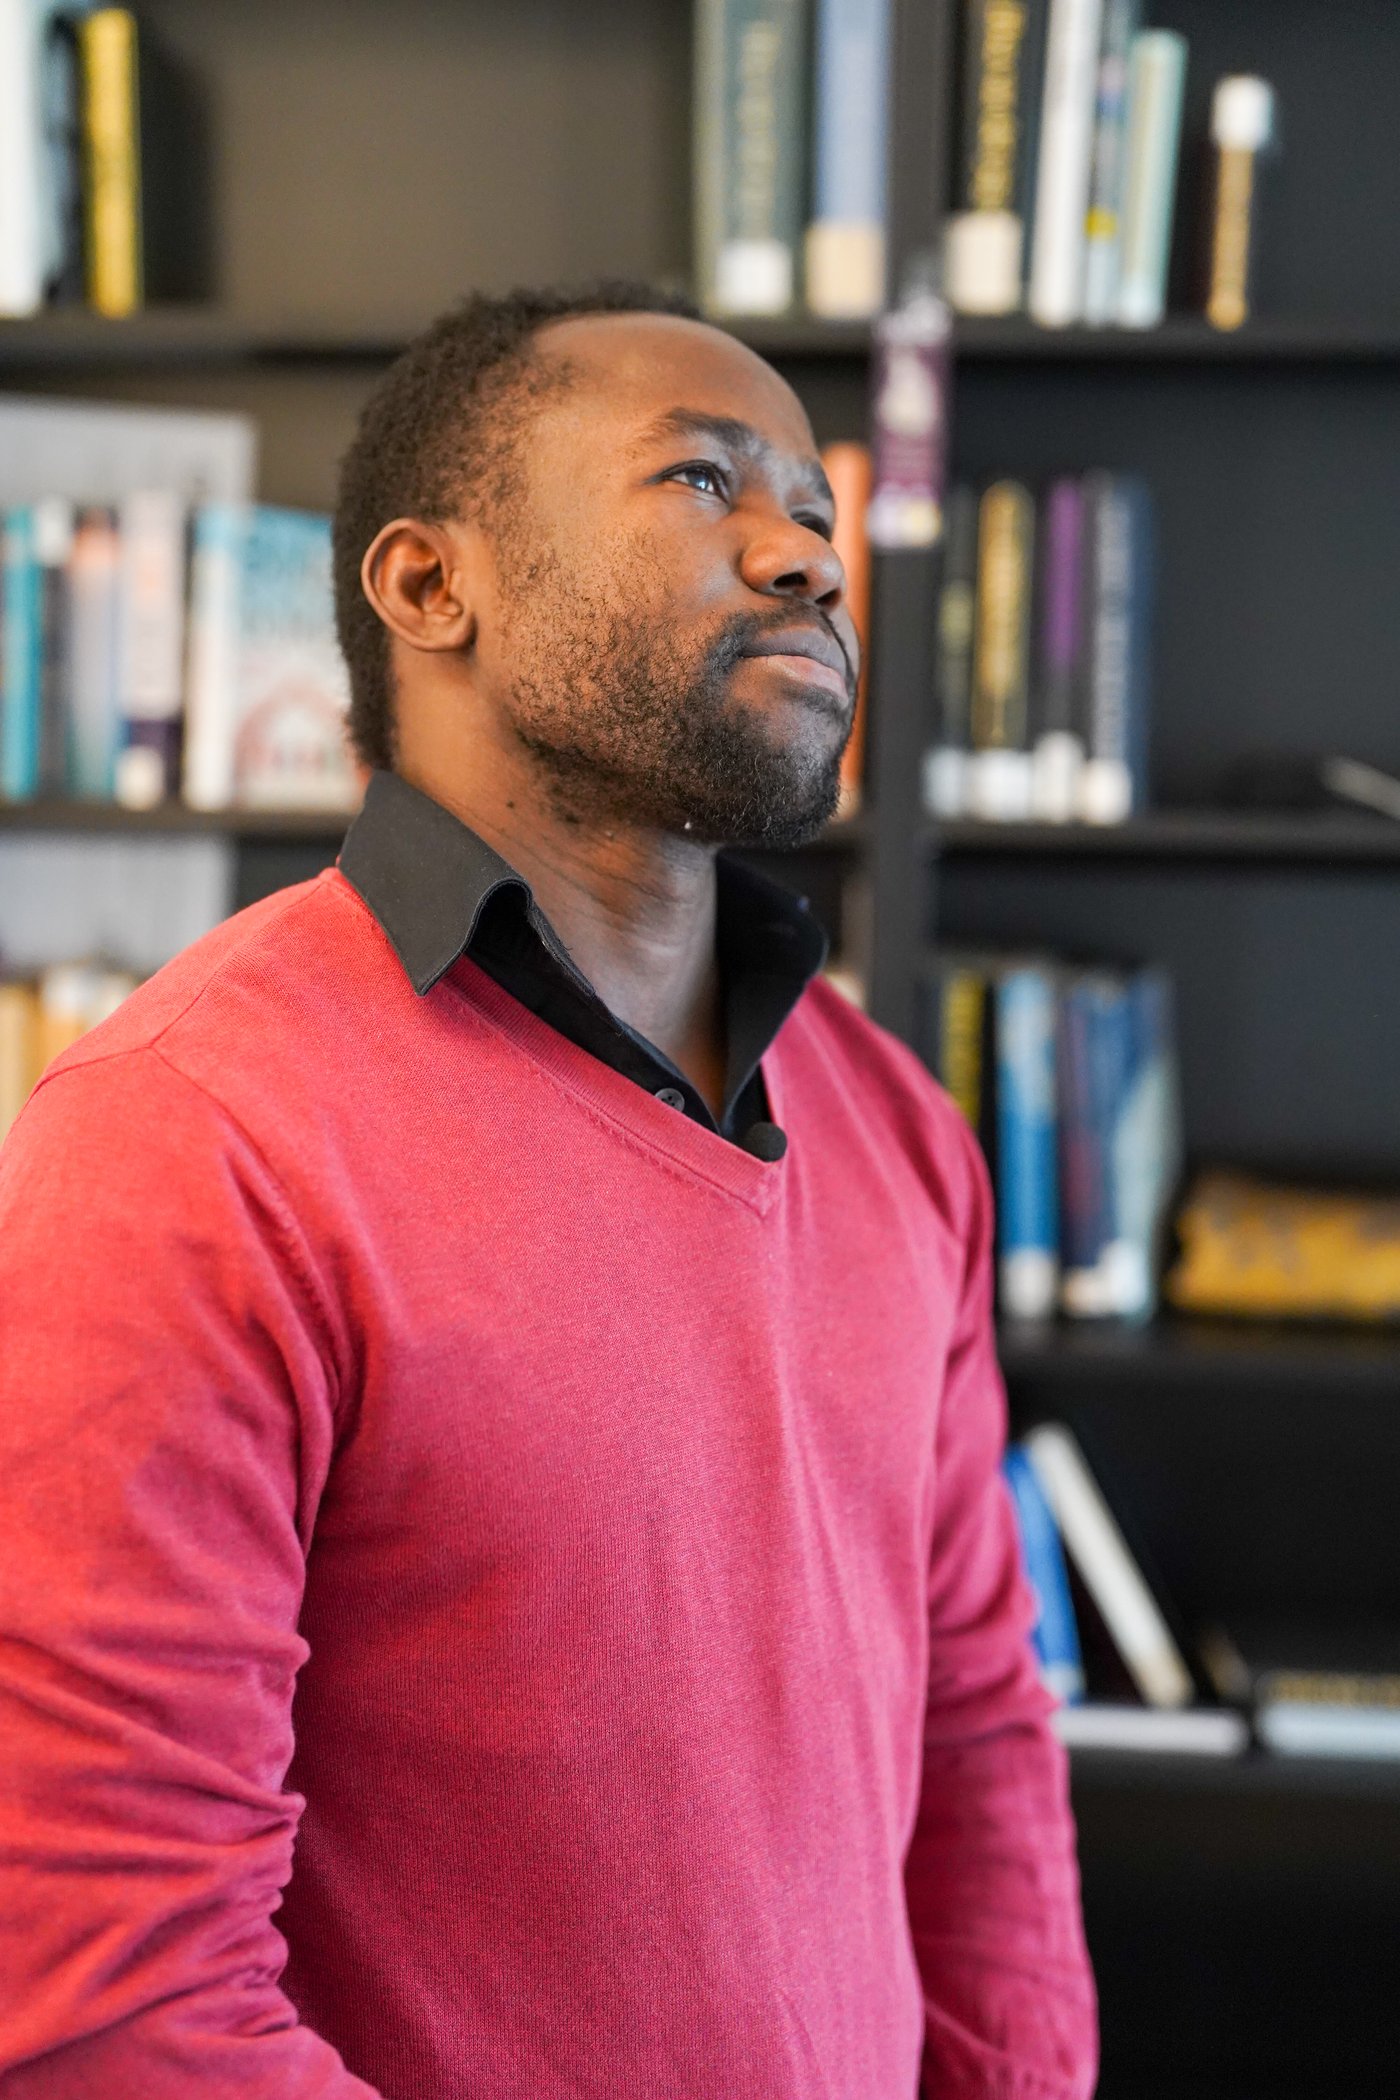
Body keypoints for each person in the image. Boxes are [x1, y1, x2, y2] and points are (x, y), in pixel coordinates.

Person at [0, 283, 1096, 2099]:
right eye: (700, 482)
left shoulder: (901, 1129)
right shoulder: (188, 1136)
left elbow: (978, 1743)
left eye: (817, 513)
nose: (806, 560)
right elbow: (113, 2002)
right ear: (435, 588)